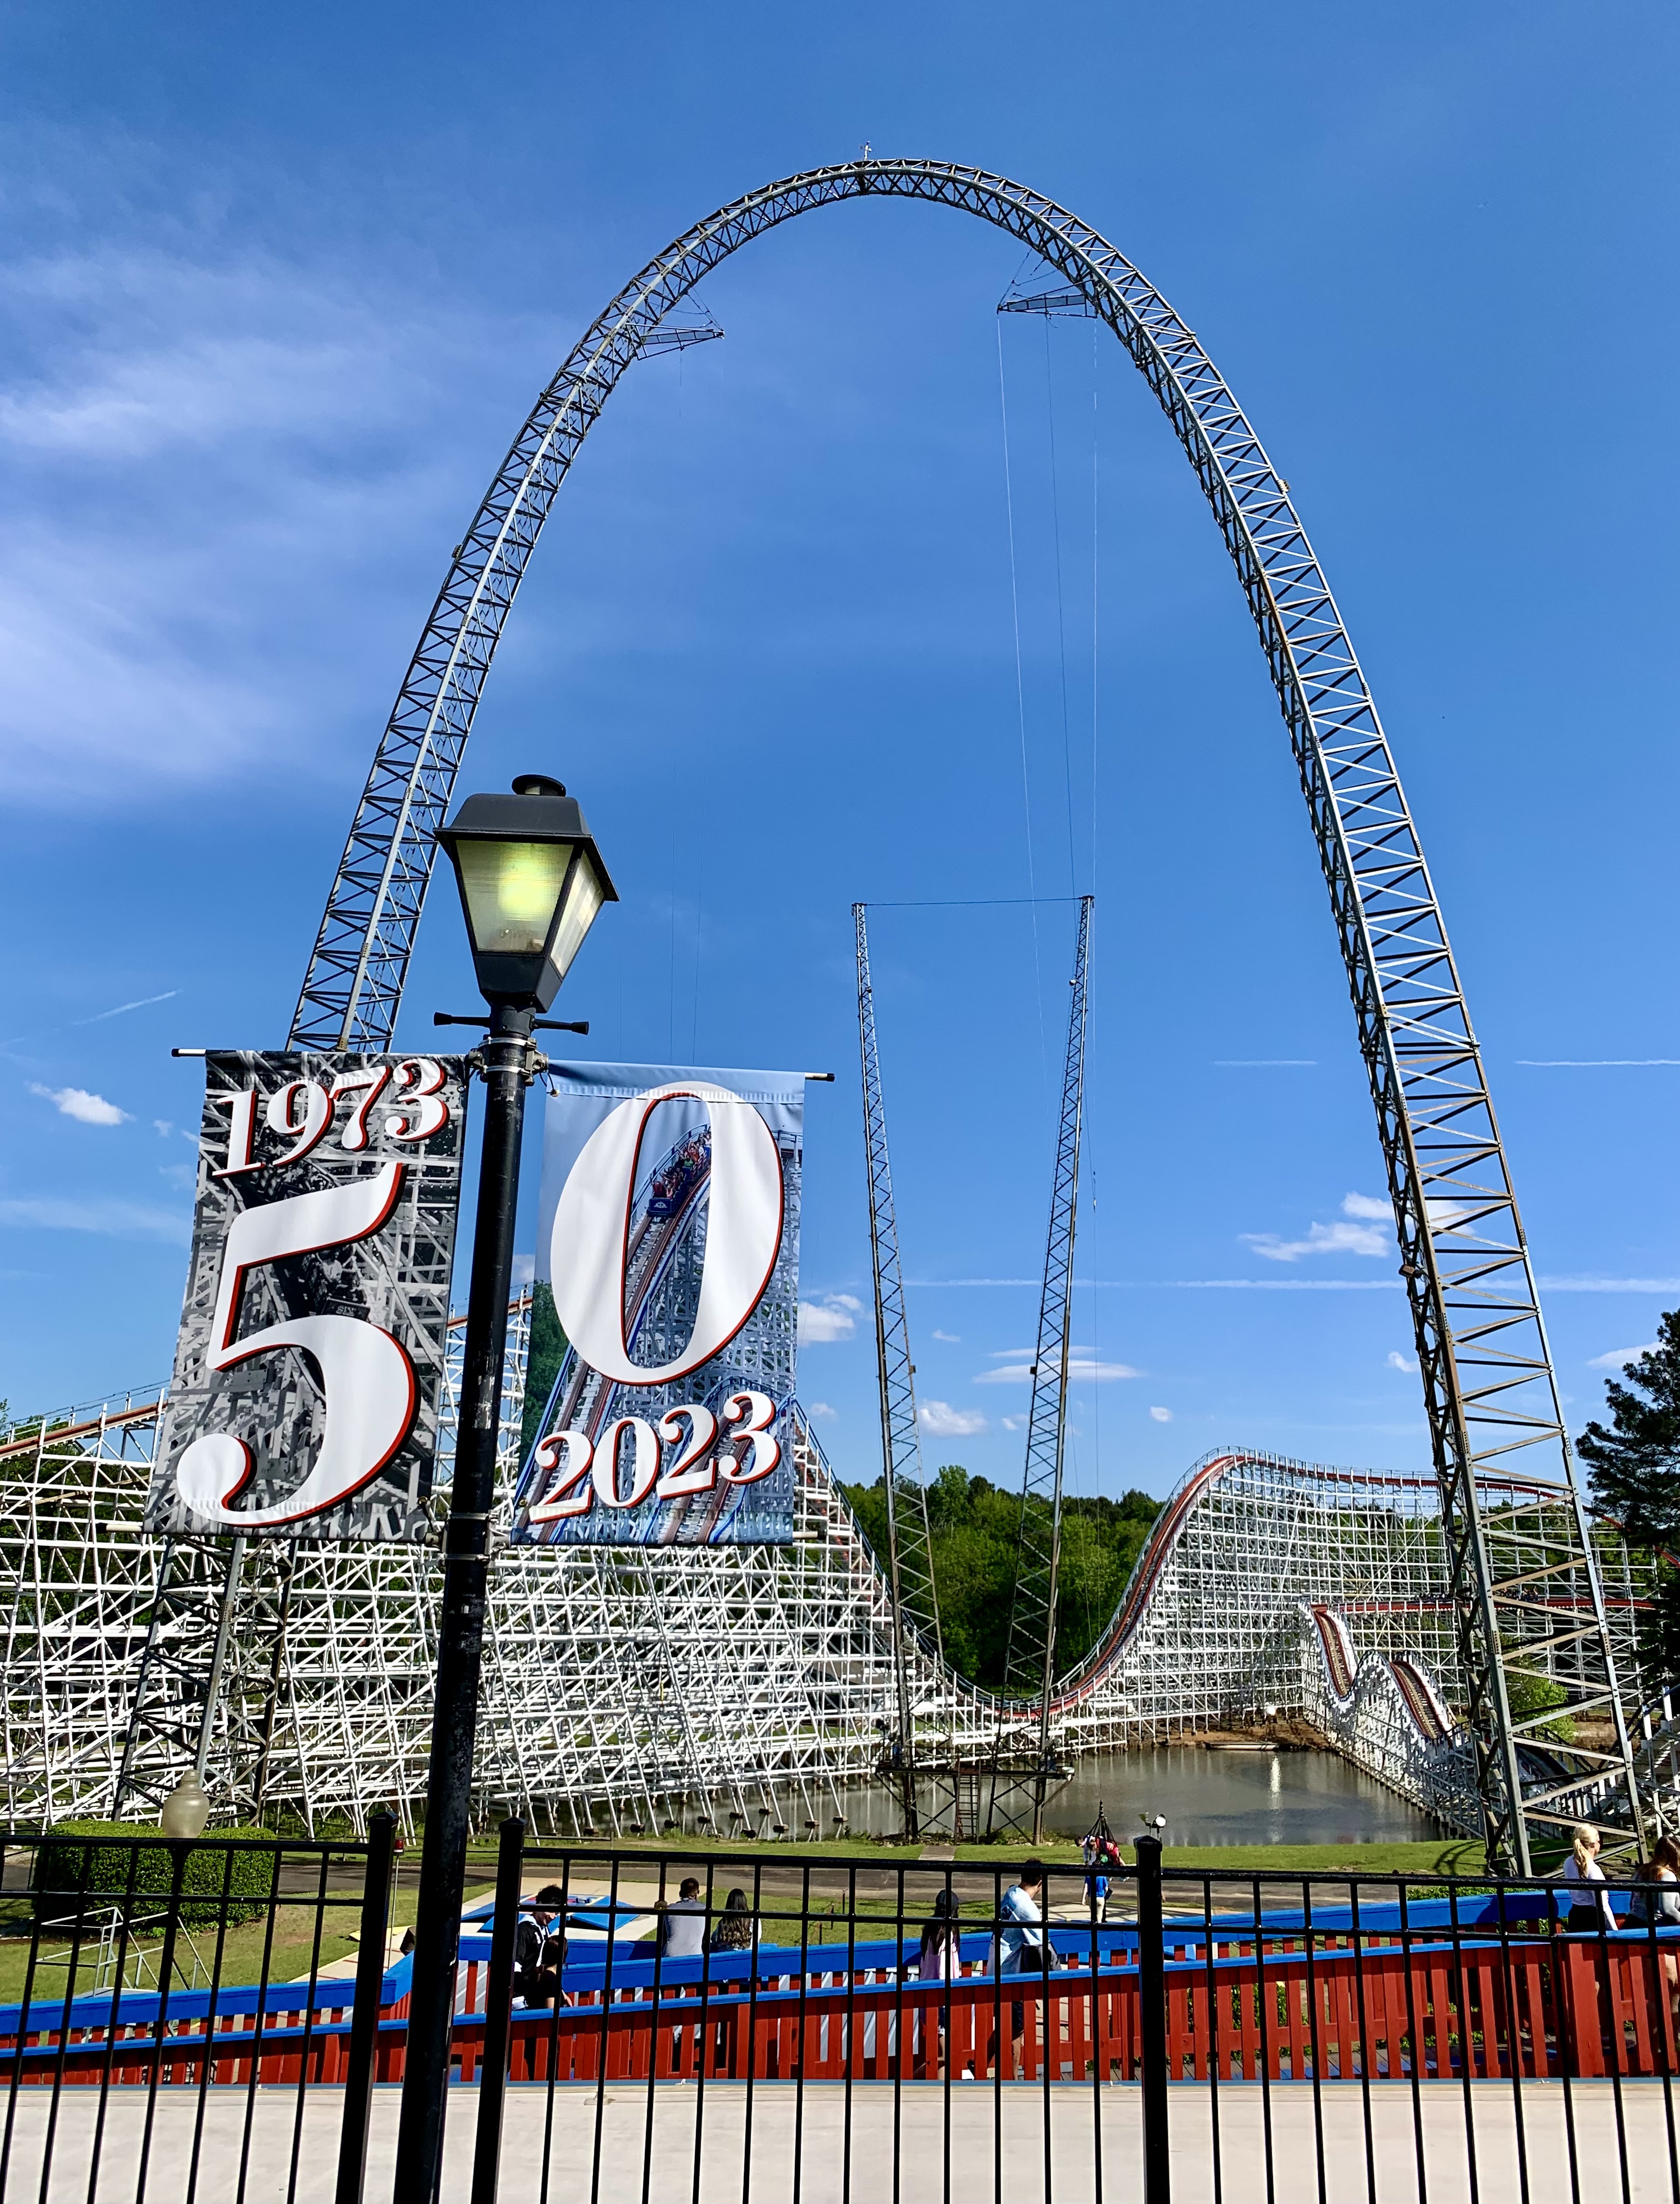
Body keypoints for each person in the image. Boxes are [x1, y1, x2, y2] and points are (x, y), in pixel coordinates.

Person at [987, 1861, 1048, 2076]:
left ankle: (982, 2062)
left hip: (997, 1968)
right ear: (1040, 1883)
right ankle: (1013, 2078)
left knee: (1006, 2024)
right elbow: (1041, 1946)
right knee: (1017, 2029)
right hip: (1011, 1974)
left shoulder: (1012, 1893)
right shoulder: (1028, 1910)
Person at [914, 1888, 963, 2074]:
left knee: (944, 2055)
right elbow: (945, 1974)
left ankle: (917, 2083)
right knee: (946, 2056)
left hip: (929, 2000)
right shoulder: (947, 1938)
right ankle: (911, 2082)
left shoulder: (931, 1931)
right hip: (941, 2002)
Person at [513, 1884, 568, 2008]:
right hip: (522, 1997)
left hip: (535, 1993)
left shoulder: (543, 1929)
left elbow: (547, 1964)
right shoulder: (524, 1930)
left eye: (557, 1913)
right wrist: (518, 1998)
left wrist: (562, 1992)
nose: (553, 1917)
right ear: (540, 1904)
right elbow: (515, 1964)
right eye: (551, 1911)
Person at [1562, 1824, 1618, 1931]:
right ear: (1593, 1844)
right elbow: (1603, 1906)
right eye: (1599, 1841)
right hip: (1593, 1919)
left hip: (1575, 1915)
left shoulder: (1568, 1862)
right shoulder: (1593, 1869)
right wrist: (1615, 1932)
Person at [656, 1876, 707, 1961]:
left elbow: (663, 1935)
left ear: (680, 1893)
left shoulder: (670, 1909)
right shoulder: (704, 1909)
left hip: (672, 1954)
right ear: (697, 1893)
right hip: (695, 1955)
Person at [709, 1887, 756, 1954]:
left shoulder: (724, 1921)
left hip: (725, 1956)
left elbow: (714, 1938)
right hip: (747, 1956)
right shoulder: (753, 1920)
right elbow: (757, 1939)